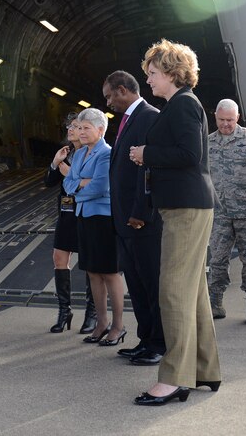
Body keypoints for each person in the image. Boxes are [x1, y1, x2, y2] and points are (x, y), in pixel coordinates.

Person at [128, 39, 219, 406]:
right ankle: (204, 369)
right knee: (193, 292)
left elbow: (188, 154)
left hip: (186, 207)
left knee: (173, 292)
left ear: (170, 72)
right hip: (185, 206)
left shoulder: (182, 106)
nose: (148, 80)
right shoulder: (180, 105)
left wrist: (146, 153)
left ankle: (174, 379)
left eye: (151, 73)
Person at [102, 71, 165, 366]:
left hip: (141, 220)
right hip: (125, 221)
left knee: (151, 283)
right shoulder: (128, 120)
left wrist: (142, 211)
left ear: (123, 90)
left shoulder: (149, 116)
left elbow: (148, 170)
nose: (108, 102)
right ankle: (146, 339)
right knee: (137, 284)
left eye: (110, 95)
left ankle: (159, 344)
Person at [63, 108, 125, 347]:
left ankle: (118, 326)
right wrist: (80, 185)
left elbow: (100, 188)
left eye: (86, 128)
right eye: (79, 128)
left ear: (101, 129)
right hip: (84, 217)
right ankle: (101, 322)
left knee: (110, 272)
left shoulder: (106, 154)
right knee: (92, 273)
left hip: (103, 218)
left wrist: (78, 190)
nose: (81, 132)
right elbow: (67, 183)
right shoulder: (78, 155)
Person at [207, 99, 246, 324]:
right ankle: (216, 303)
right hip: (220, 213)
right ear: (216, 118)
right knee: (218, 259)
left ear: (238, 117)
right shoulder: (208, 143)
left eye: (230, 120)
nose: (226, 124)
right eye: (222, 120)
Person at [45, 113, 97, 333]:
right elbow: (48, 182)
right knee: (59, 257)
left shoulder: (92, 154)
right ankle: (64, 311)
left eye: (76, 126)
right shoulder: (67, 154)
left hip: (86, 211)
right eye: (70, 126)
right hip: (66, 213)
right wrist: (55, 163)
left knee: (89, 262)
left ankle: (92, 313)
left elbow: (87, 182)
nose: (71, 129)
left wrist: (65, 169)